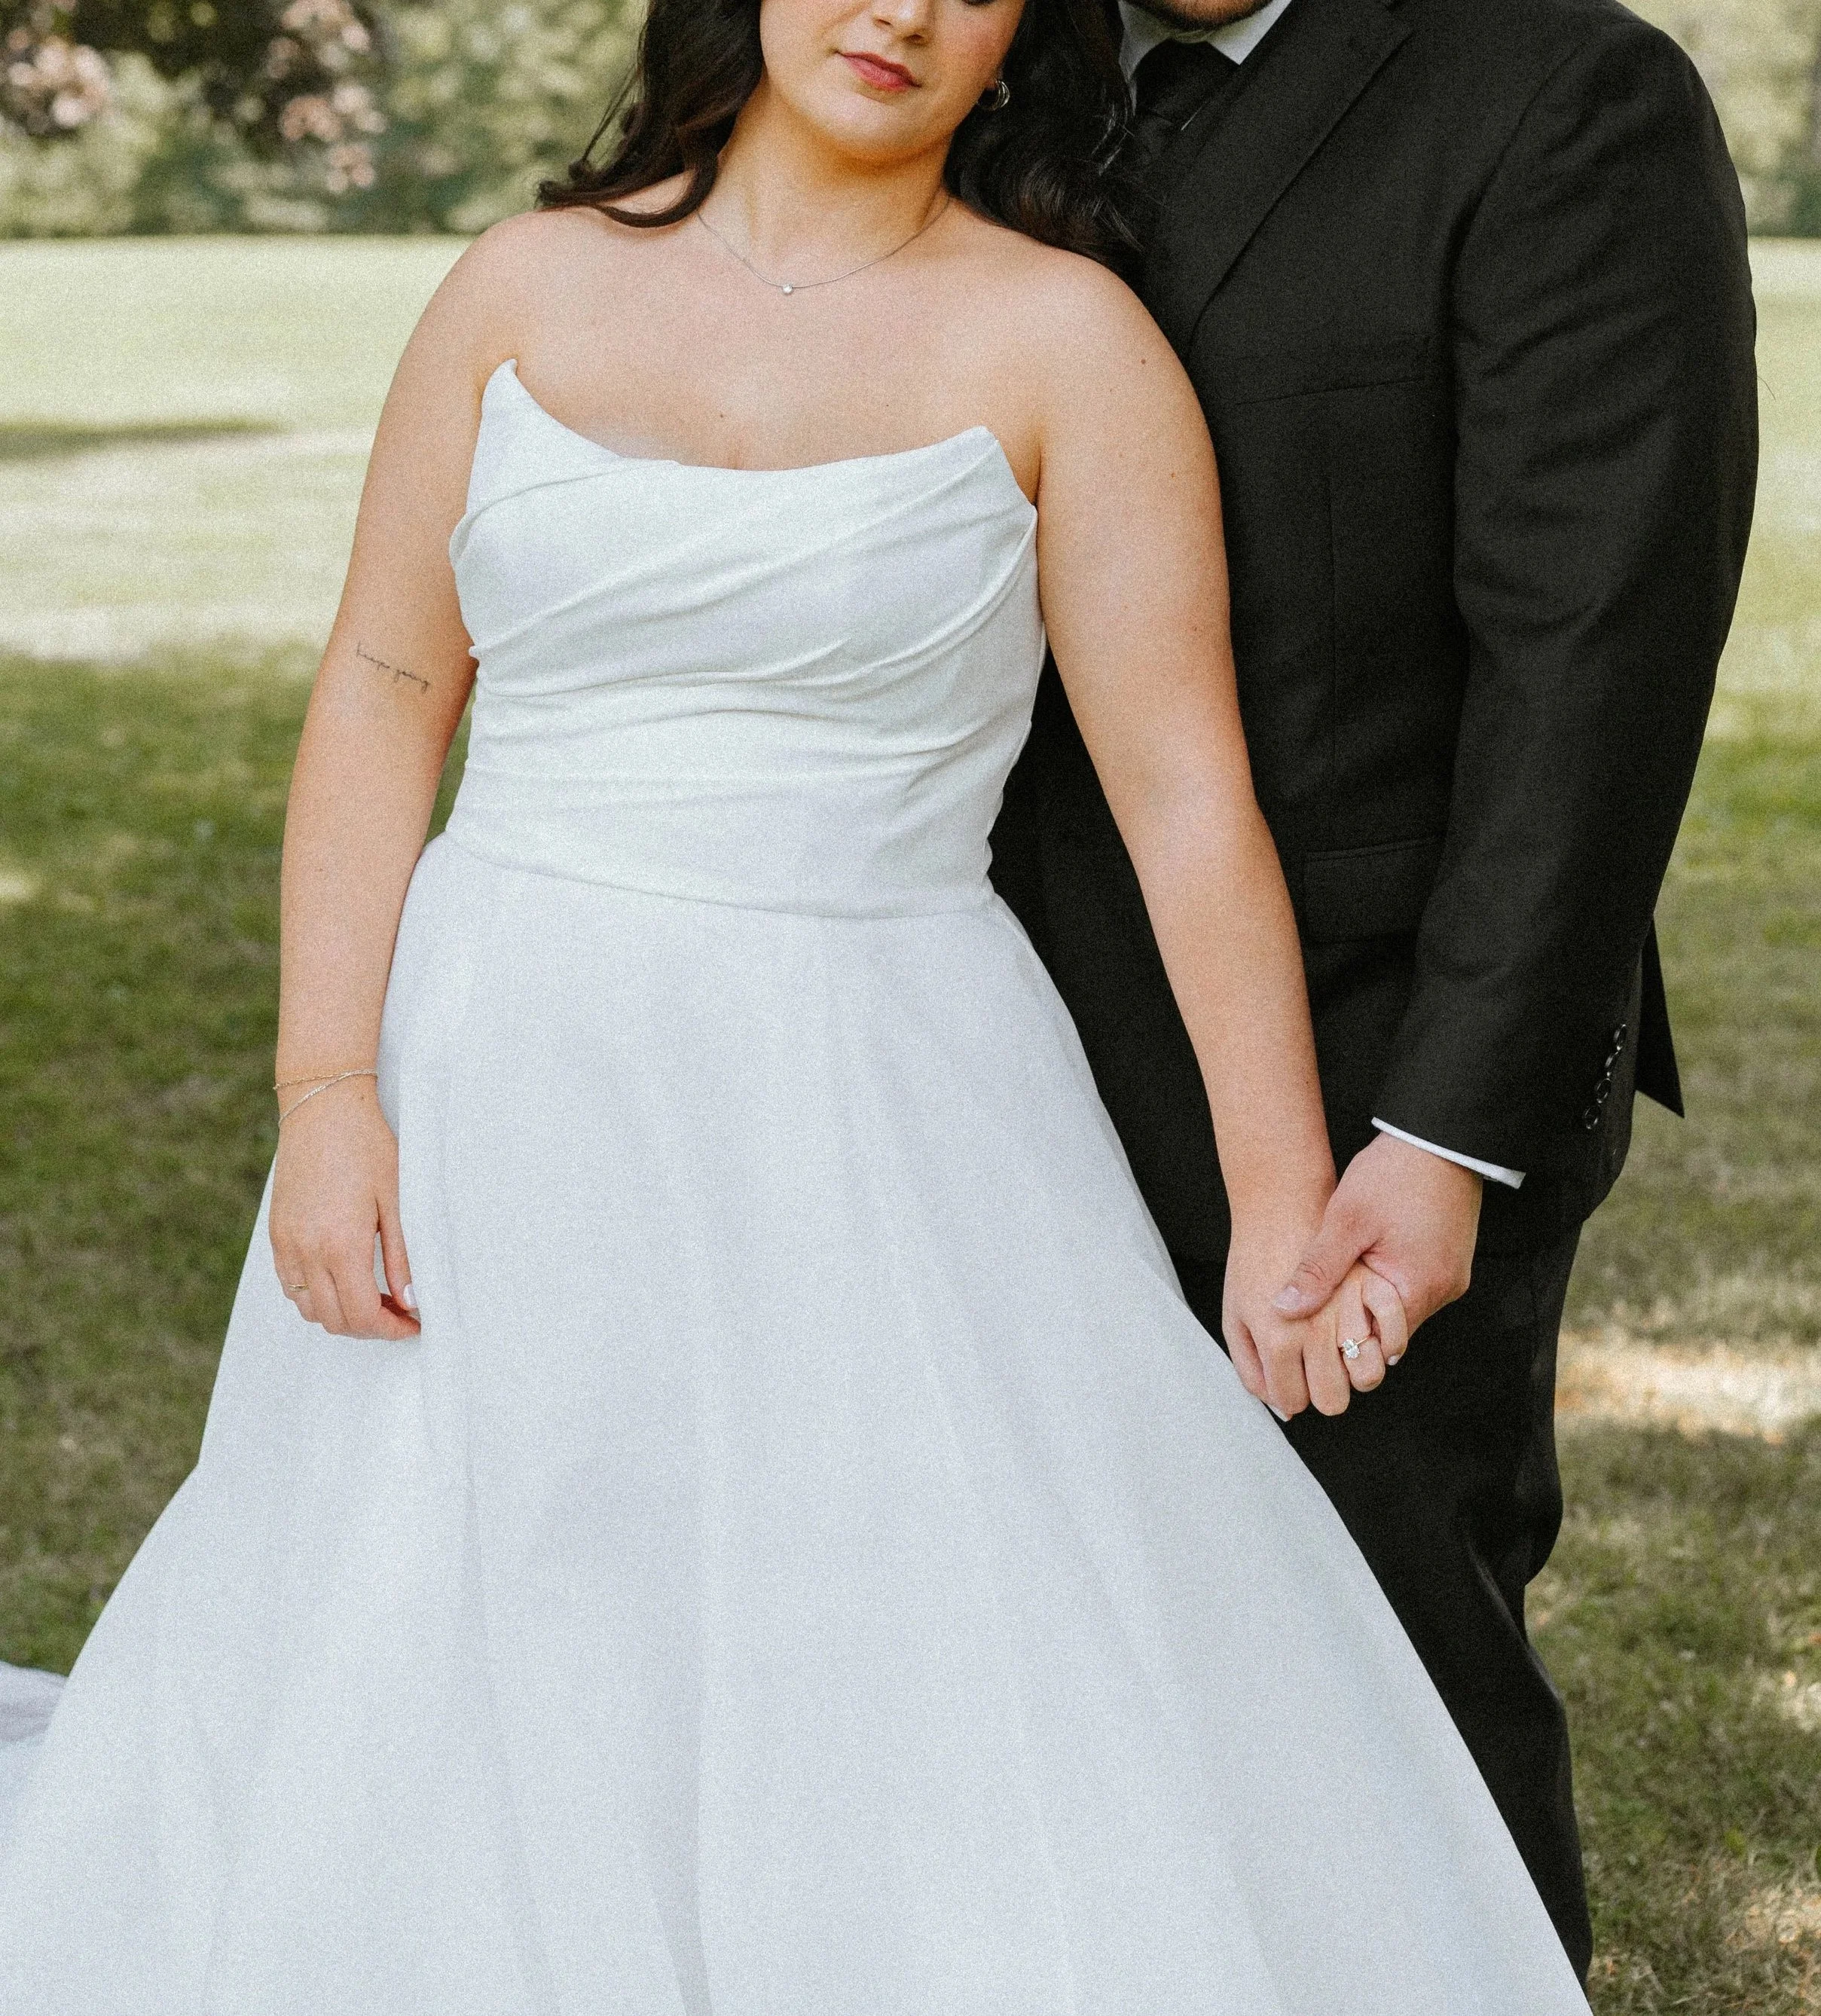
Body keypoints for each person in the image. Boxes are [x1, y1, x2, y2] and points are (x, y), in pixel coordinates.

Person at [0, 2, 1590, 2008]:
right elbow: (386, 692)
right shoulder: (518, 289)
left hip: (877, 1098)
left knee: (875, 1632)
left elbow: (1186, 797)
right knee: (459, 1600)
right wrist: (328, 1085)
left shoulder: (1065, 345)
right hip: (502, 1075)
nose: (902, 7)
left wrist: (1282, 1198)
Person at [988, 0, 1759, 1981]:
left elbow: (1593, 657)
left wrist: (1444, 1139)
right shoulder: (994, 58)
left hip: (1369, 1072)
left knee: (1387, 1688)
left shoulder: (1563, 96)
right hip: (986, 1059)